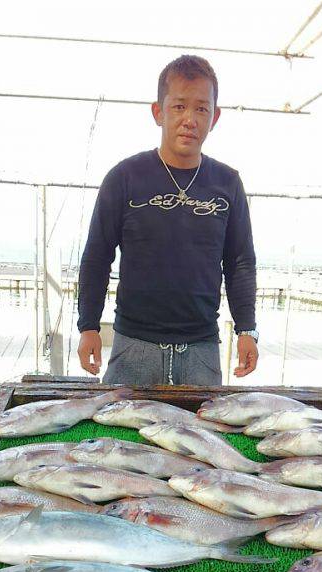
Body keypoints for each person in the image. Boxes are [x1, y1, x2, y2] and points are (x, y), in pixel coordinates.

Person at [77, 55, 258, 386]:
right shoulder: (124, 177)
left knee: (205, 421)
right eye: (179, 107)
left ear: (214, 117)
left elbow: (240, 262)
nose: (189, 119)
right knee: (119, 422)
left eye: (201, 109)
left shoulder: (228, 183)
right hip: (133, 348)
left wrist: (247, 329)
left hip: (202, 351)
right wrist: (88, 325)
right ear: (159, 112)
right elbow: (97, 256)